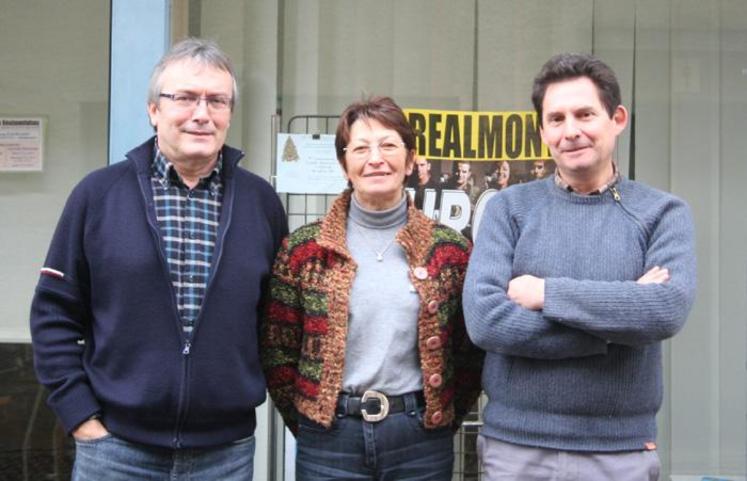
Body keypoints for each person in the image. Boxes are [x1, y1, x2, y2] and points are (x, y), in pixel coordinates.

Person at [29, 38, 287, 481]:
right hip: (115, 451)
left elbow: (277, 322)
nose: (201, 113)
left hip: (224, 455)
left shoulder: (260, 203)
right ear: (154, 110)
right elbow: (54, 315)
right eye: (185, 98)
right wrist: (79, 416)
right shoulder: (98, 196)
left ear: (229, 114)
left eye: (216, 101)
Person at [463, 53, 696, 481]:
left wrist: (546, 293)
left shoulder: (662, 213)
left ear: (617, 118)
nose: (571, 131)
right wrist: (611, 327)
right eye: (556, 118)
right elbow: (485, 320)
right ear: (543, 131)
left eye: (585, 114)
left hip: (619, 451)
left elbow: (664, 308)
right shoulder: (508, 210)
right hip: (515, 447)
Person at [261, 96, 483, 480]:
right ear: (344, 165)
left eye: (389, 145)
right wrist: (314, 417)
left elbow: (470, 351)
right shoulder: (303, 250)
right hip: (329, 442)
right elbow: (276, 350)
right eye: (360, 148)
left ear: (411, 161)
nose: (375, 158)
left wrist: (439, 414)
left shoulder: (451, 251)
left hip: (420, 441)